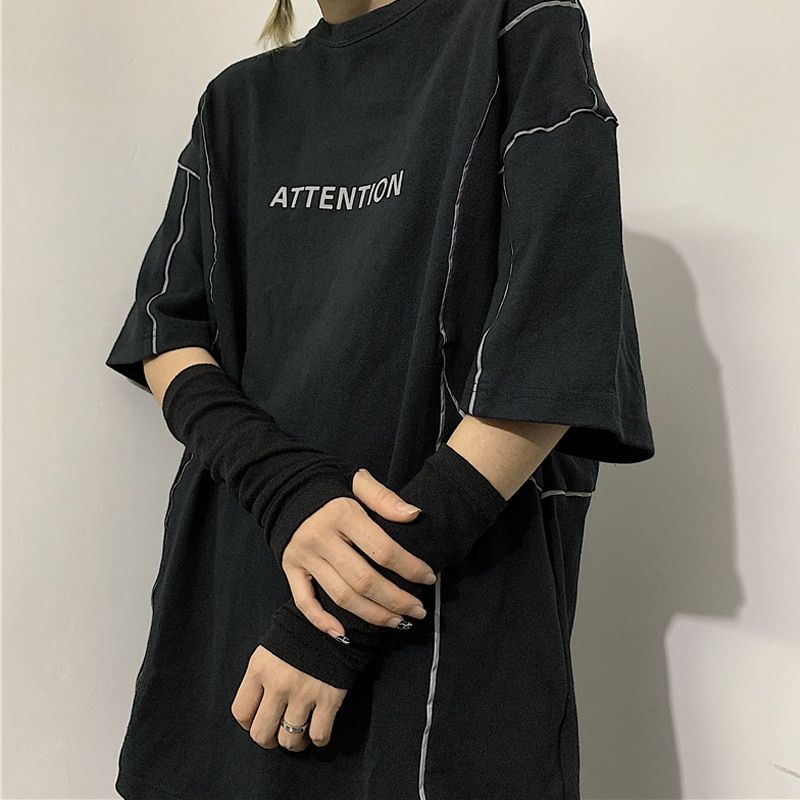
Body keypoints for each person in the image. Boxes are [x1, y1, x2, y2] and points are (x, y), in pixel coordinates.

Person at [105, 0, 656, 797]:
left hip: (438, 618)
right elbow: (165, 331)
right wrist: (284, 485)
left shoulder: (517, 28)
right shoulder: (235, 101)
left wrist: (332, 625)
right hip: (237, 596)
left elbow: (555, 343)